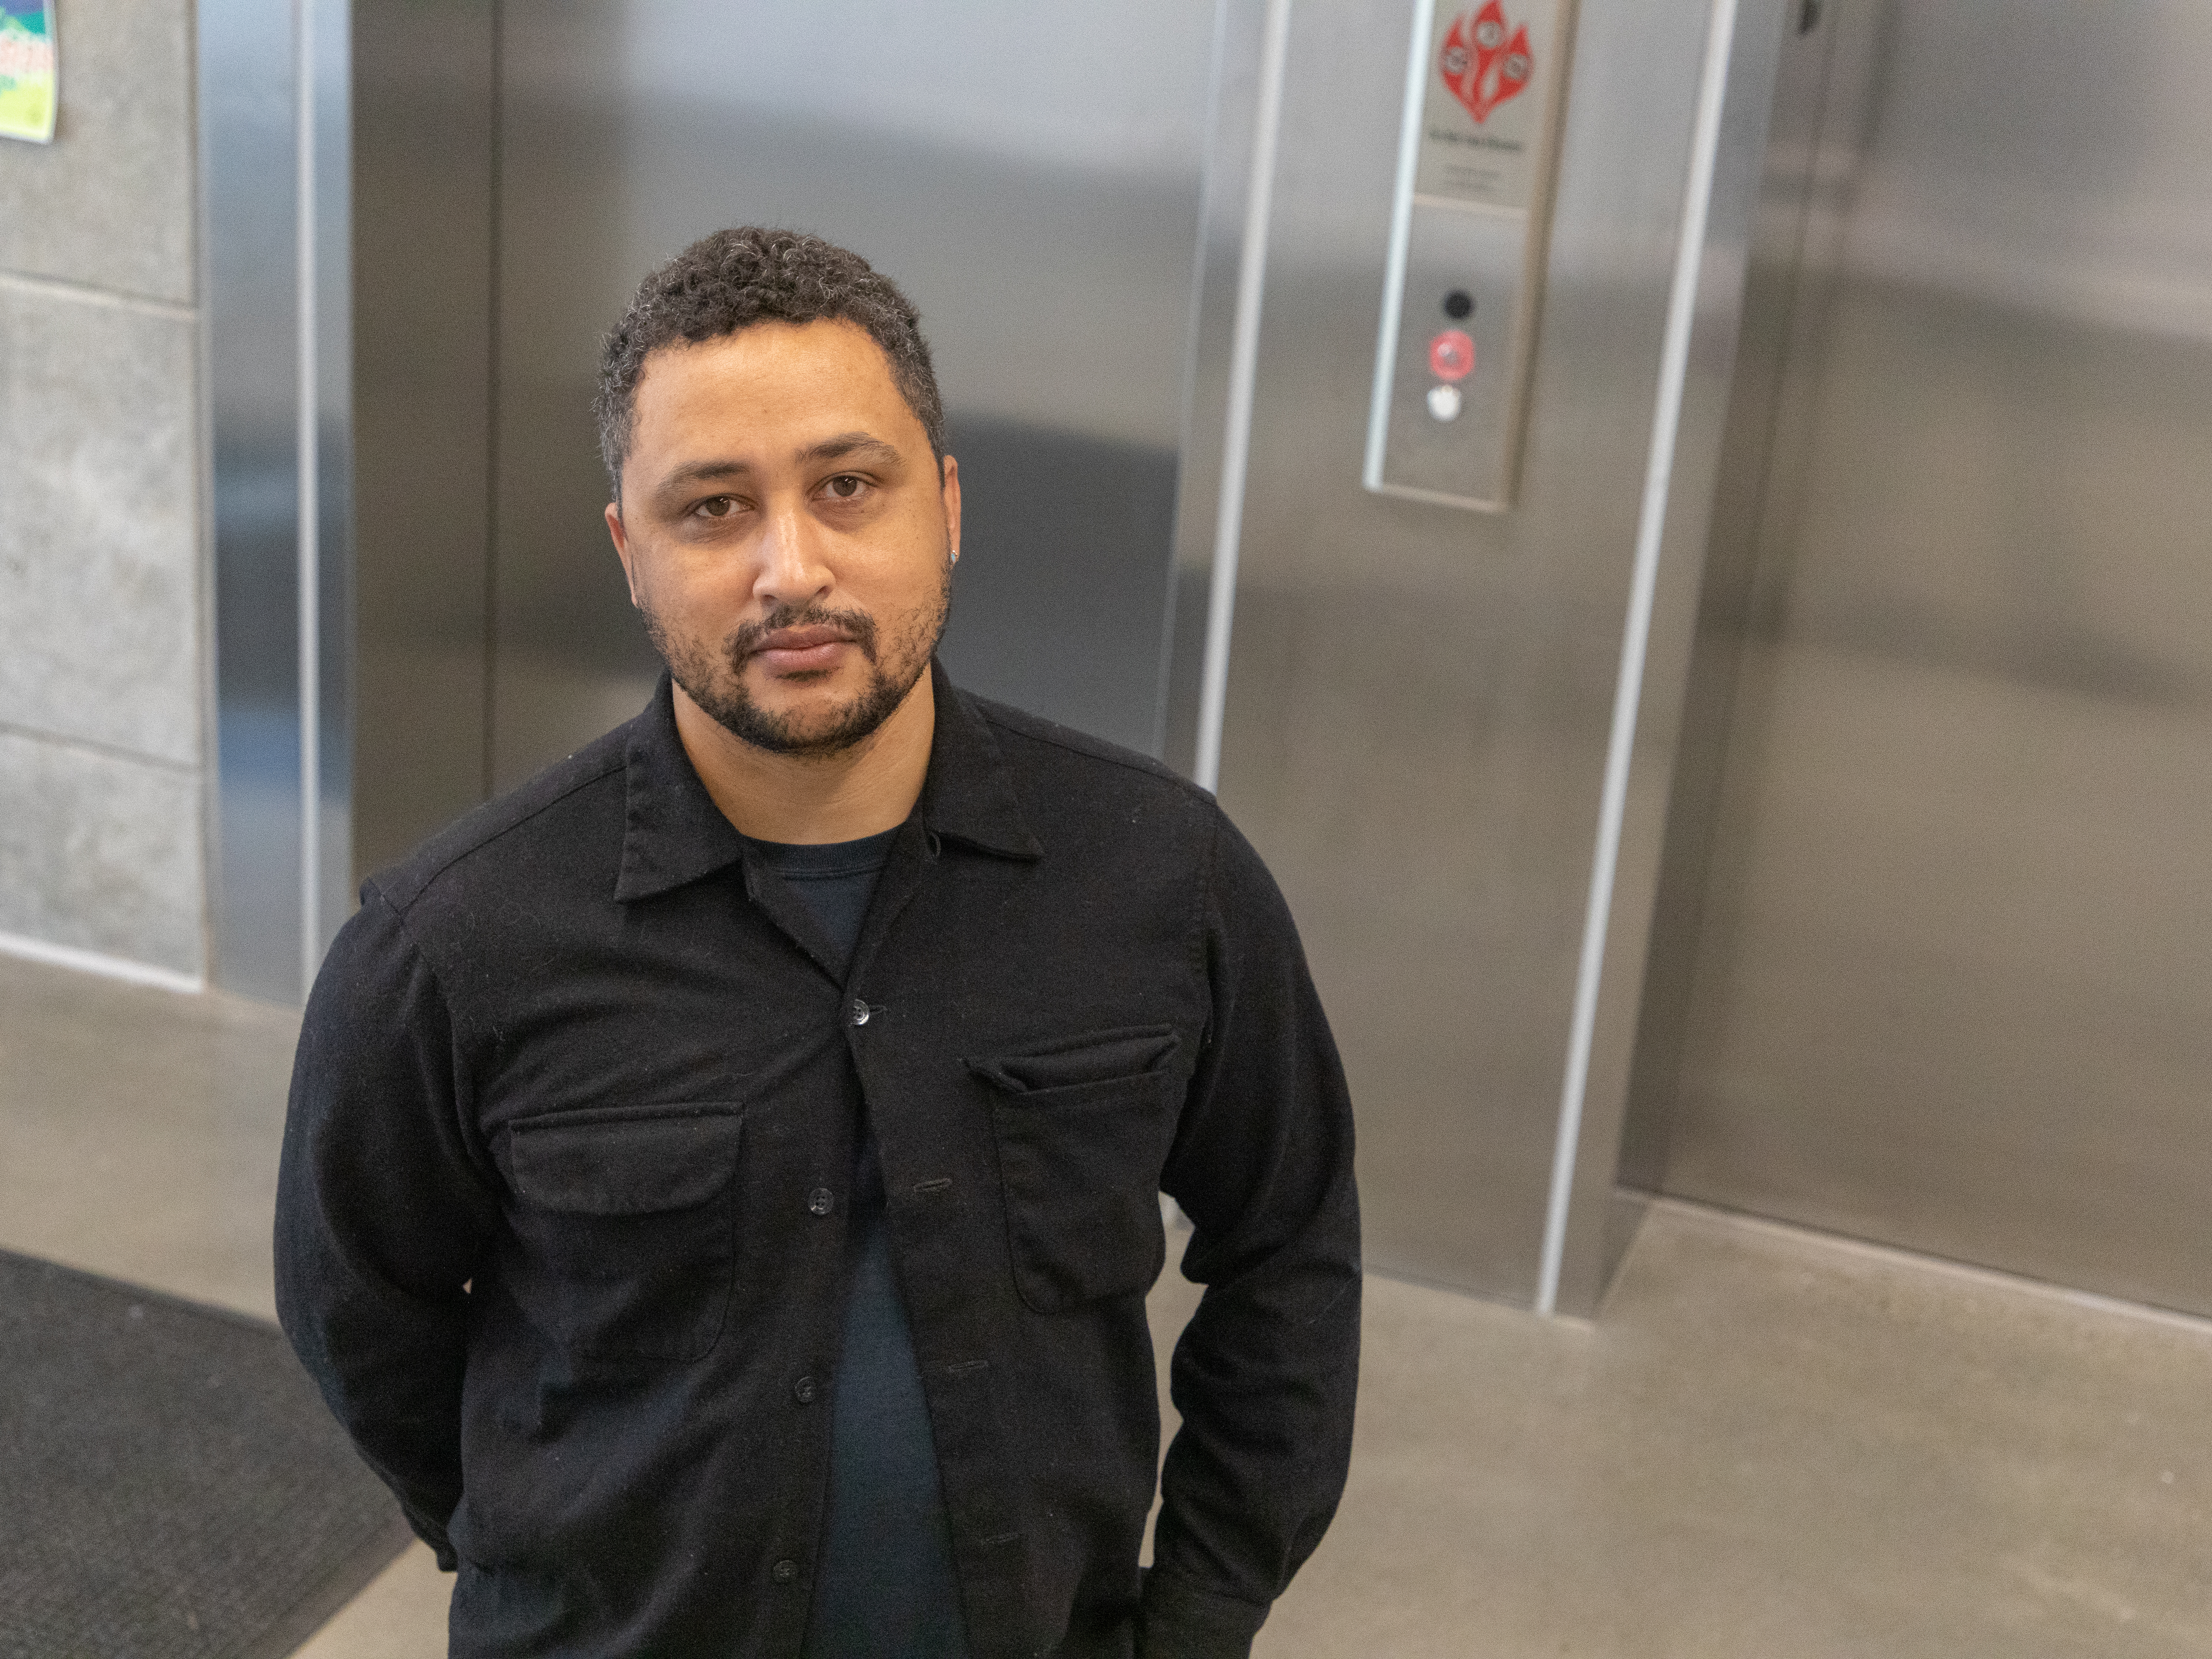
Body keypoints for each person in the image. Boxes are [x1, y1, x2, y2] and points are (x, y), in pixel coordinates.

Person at [275, 226, 1359, 1659]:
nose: (791, 569)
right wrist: (546, 1553)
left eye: (848, 487)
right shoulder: (454, 943)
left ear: (947, 505)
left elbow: (1289, 1244)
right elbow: (362, 1318)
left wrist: (1205, 1610)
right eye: (713, 508)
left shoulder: (1165, 876)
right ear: (630, 552)